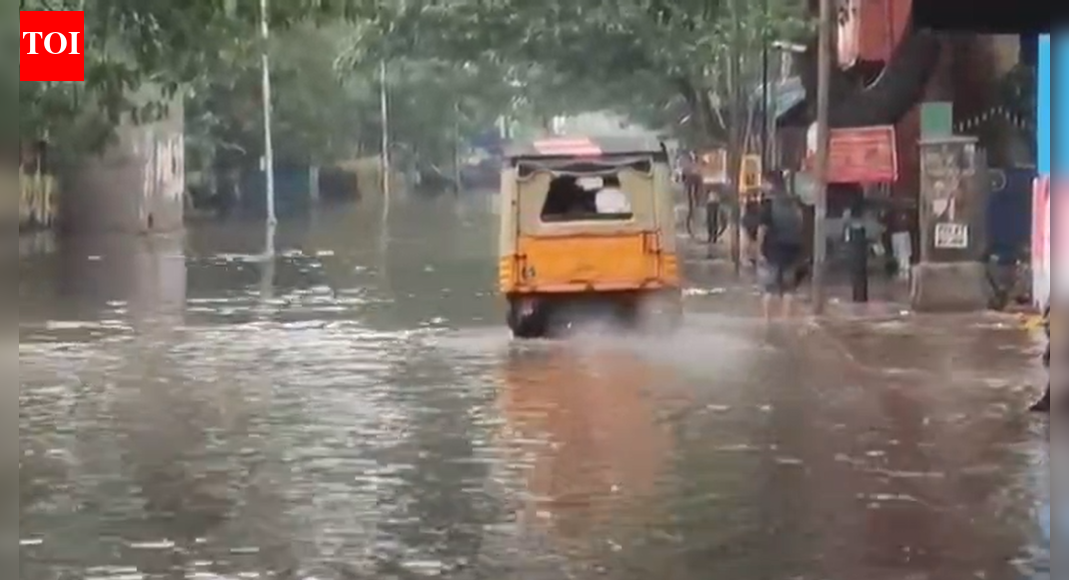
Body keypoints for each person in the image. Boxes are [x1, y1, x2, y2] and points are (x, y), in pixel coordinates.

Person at [756, 172, 805, 321]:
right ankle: (785, 321)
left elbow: (762, 229)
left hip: (773, 249)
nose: (762, 186)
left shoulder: (768, 204)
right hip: (793, 248)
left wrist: (758, 250)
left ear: (771, 185)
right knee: (788, 288)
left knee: (769, 288)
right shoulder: (794, 203)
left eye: (764, 183)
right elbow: (800, 224)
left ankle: (767, 321)